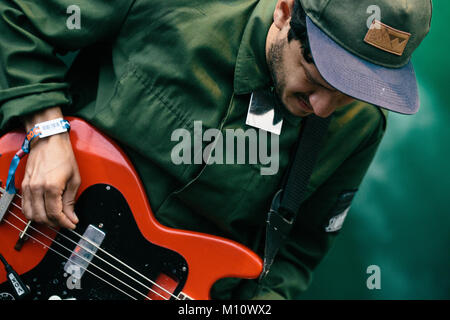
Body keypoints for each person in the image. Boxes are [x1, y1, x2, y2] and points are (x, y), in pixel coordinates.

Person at [0, 0, 432, 299]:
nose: (323, 108)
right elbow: (18, 17)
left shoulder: (358, 129)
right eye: (316, 80)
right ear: (285, 11)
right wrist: (45, 128)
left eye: (347, 94)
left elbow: (294, 256)